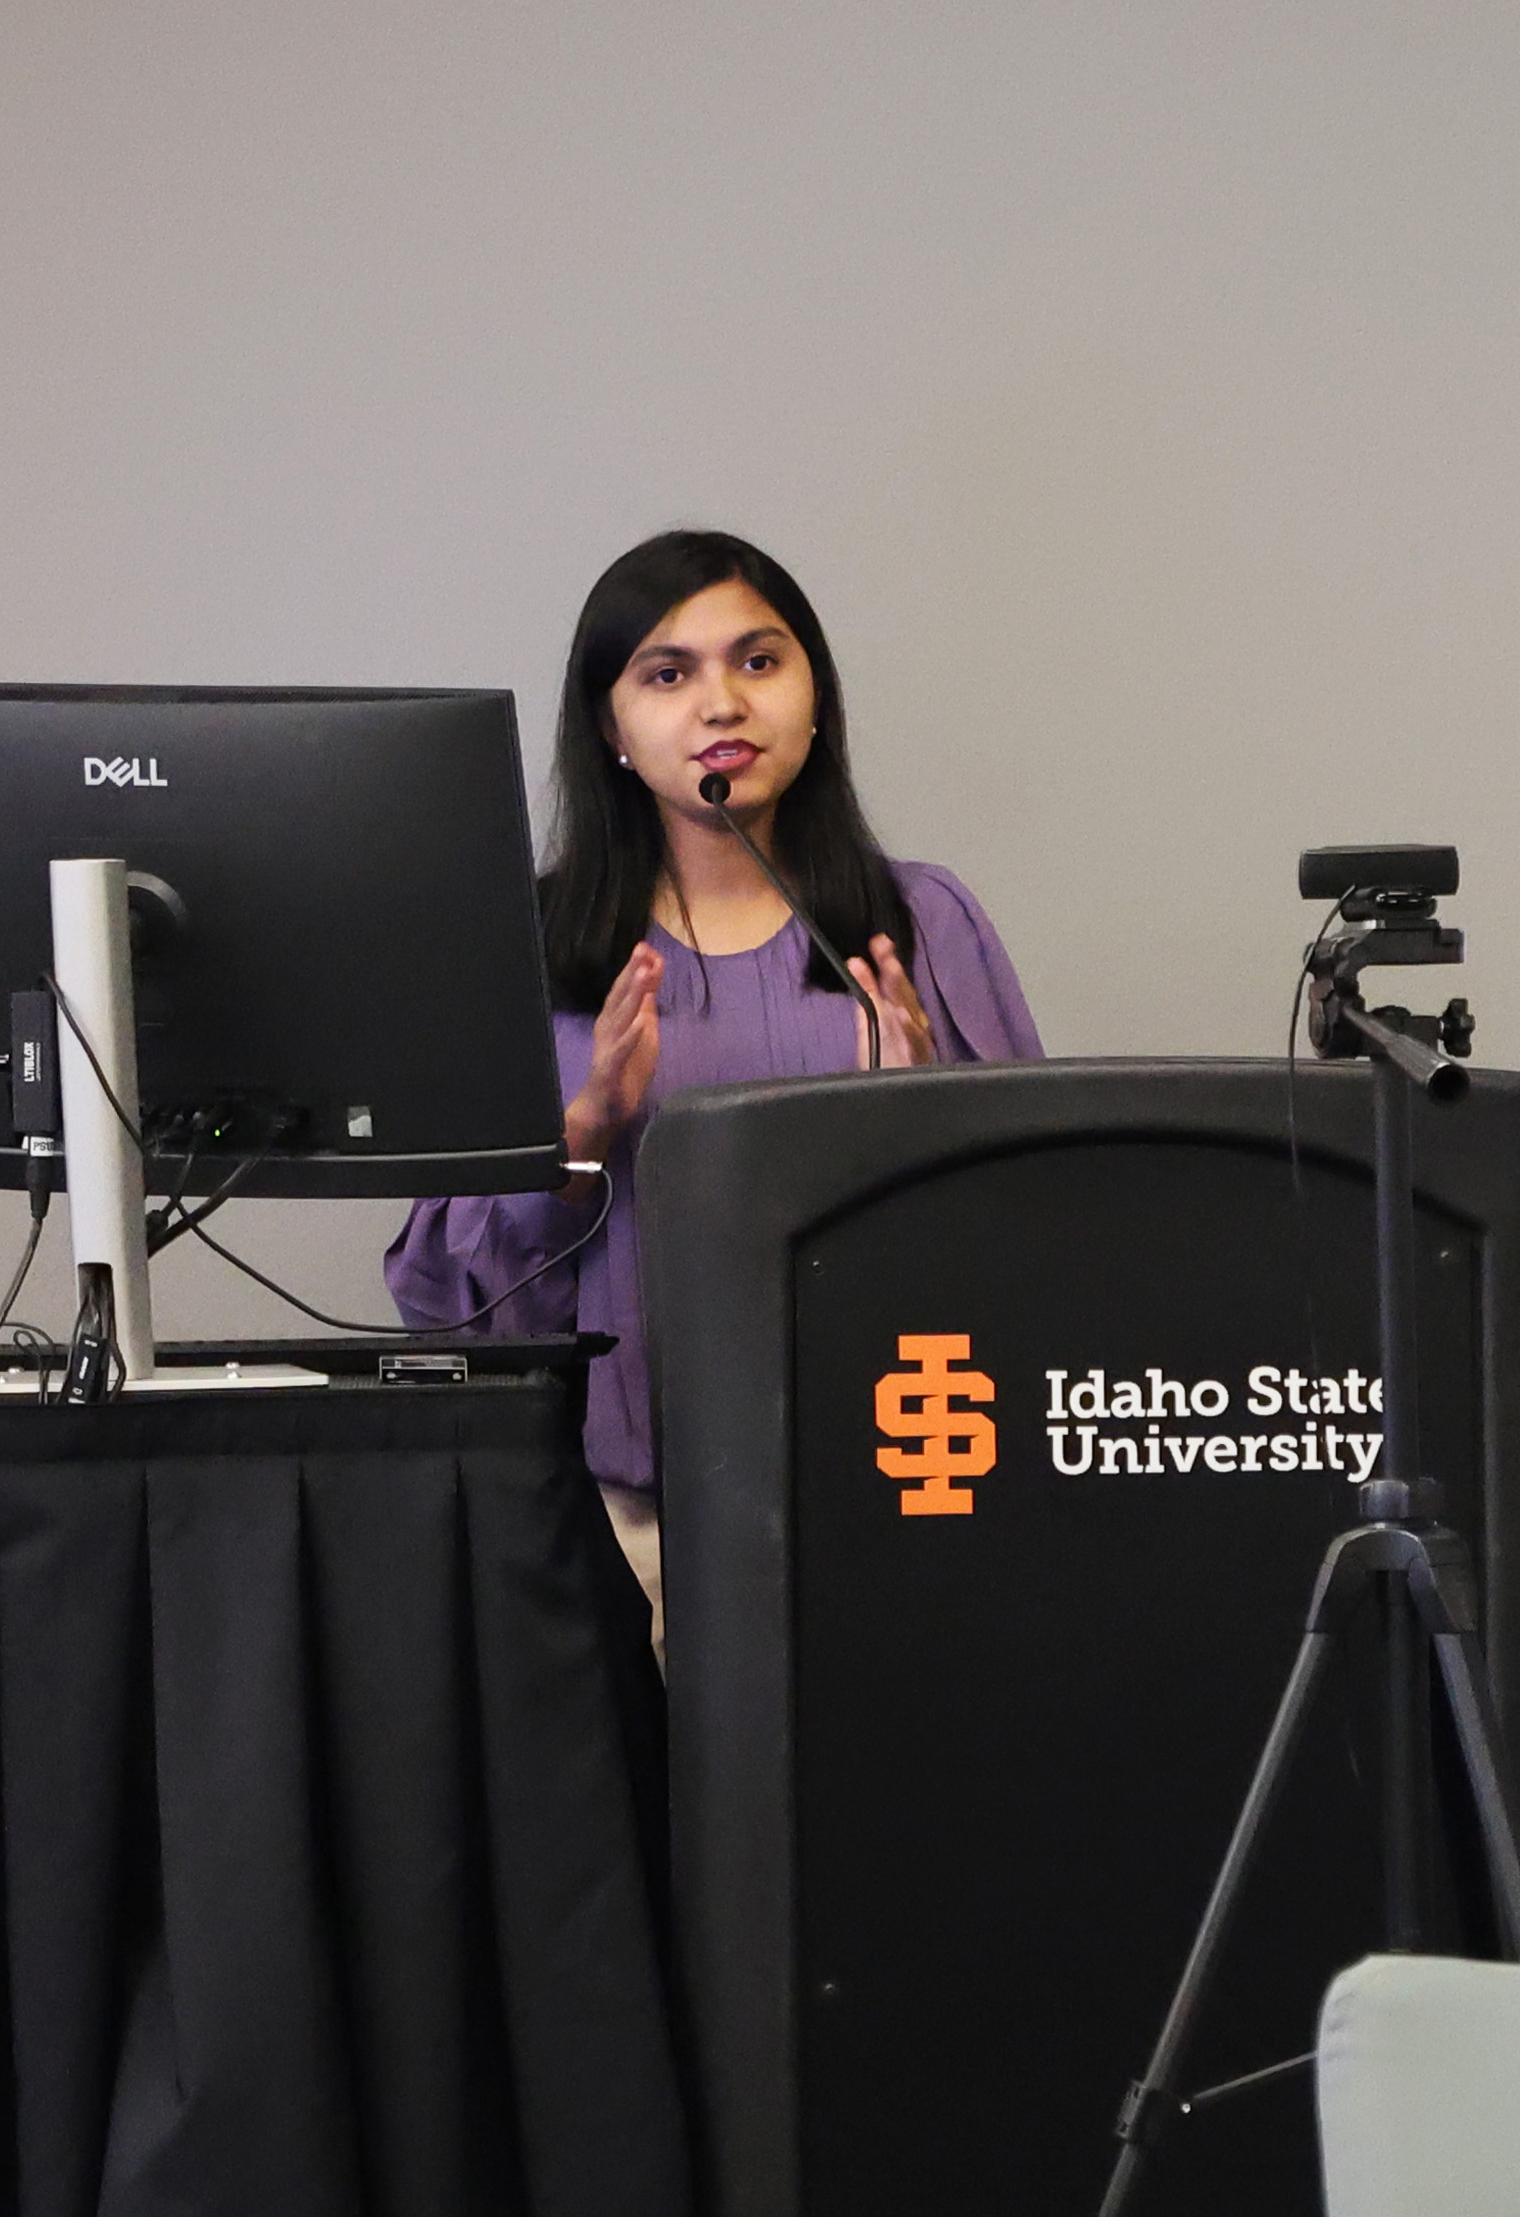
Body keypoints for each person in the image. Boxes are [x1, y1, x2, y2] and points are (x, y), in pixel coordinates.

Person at [388, 529, 1042, 1619]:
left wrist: (919, 1123)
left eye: (758, 660)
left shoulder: (922, 924)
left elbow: (1038, 1246)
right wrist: (587, 1133)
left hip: (907, 1497)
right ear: (611, 728)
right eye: (668, 673)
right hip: (611, 1527)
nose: (722, 704)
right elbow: (445, 1307)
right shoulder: (522, 948)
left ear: (815, 696)